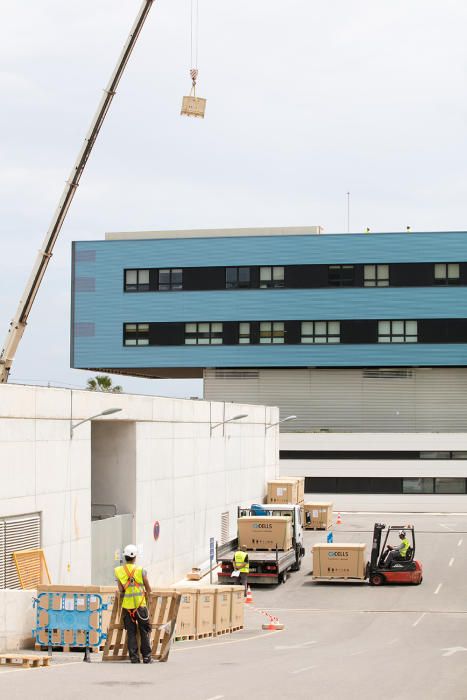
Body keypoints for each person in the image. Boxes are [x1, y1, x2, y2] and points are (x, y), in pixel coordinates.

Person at [115, 544, 152, 664]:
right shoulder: (141, 571)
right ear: (135, 557)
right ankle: (146, 657)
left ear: (125, 557)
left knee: (131, 633)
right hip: (140, 606)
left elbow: (121, 589)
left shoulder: (118, 571)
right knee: (144, 631)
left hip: (127, 607)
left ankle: (134, 657)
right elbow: (148, 587)